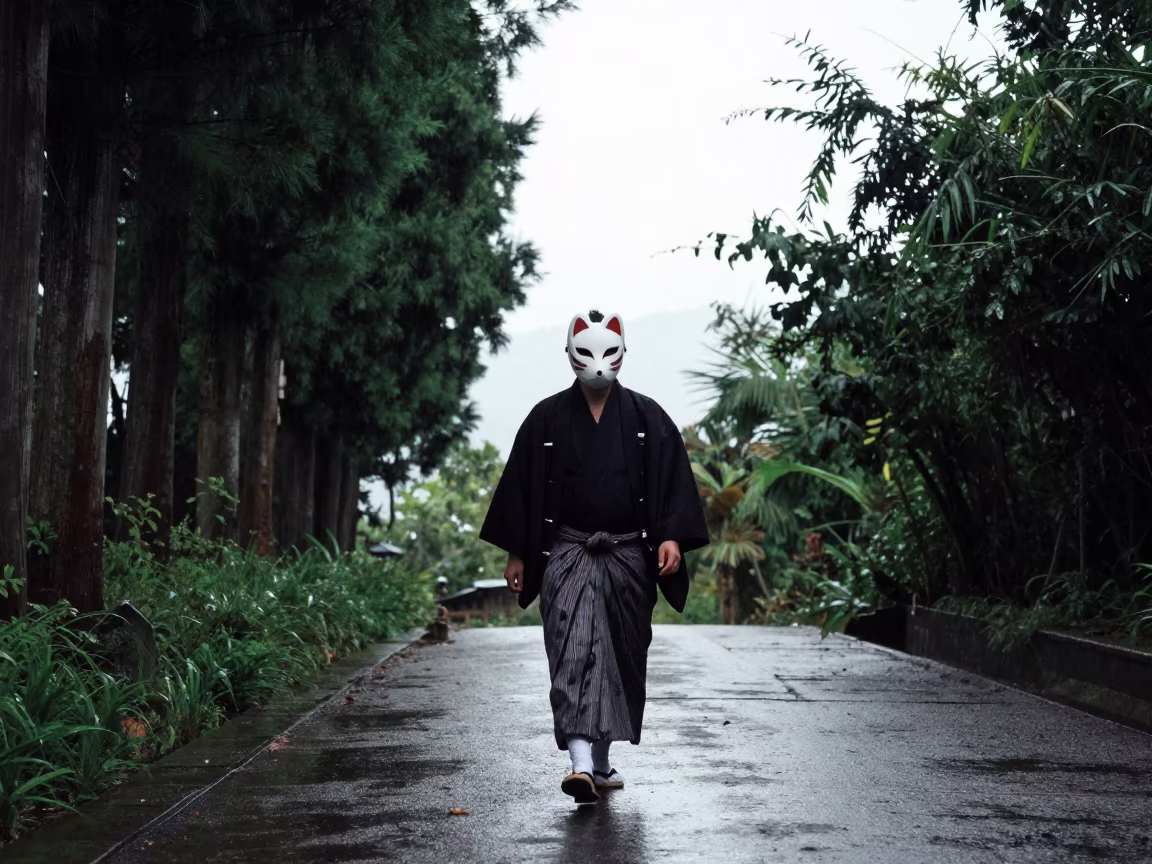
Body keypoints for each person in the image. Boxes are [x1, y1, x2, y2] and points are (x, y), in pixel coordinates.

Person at [479, 309, 709, 804]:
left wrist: (670, 537)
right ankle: (579, 762)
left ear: (624, 354)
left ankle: (601, 761)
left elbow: (673, 483)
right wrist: (519, 552)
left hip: (629, 553)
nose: (597, 363)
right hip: (567, 549)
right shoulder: (546, 418)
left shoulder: (648, 417)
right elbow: (522, 487)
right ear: (569, 355)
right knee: (571, 646)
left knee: (622, 654)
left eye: (608, 353)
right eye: (585, 352)